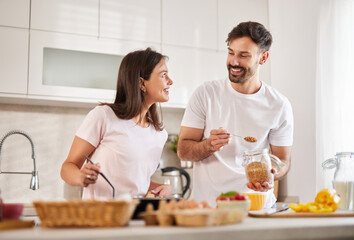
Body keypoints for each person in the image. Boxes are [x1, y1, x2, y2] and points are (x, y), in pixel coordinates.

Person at [177, 21, 293, 208]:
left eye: (244, 55)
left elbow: (283, 161)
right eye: (231, 53)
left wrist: (272, 173)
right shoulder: (206, 93)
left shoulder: (279, 105)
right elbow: (183, 150)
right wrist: (208, 145)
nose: (234, 62)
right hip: (209, 208)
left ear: (263, 58)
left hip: (257, 208)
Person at [61, 48, 173, 199]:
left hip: (136, 218)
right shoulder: (104, 116)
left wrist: (161, 187)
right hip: (101, 218)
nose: (170, 81)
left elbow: (137, 182)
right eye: (163, 75)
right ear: (141, 83)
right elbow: (68, 167)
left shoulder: (159, 134)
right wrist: (81, 176)